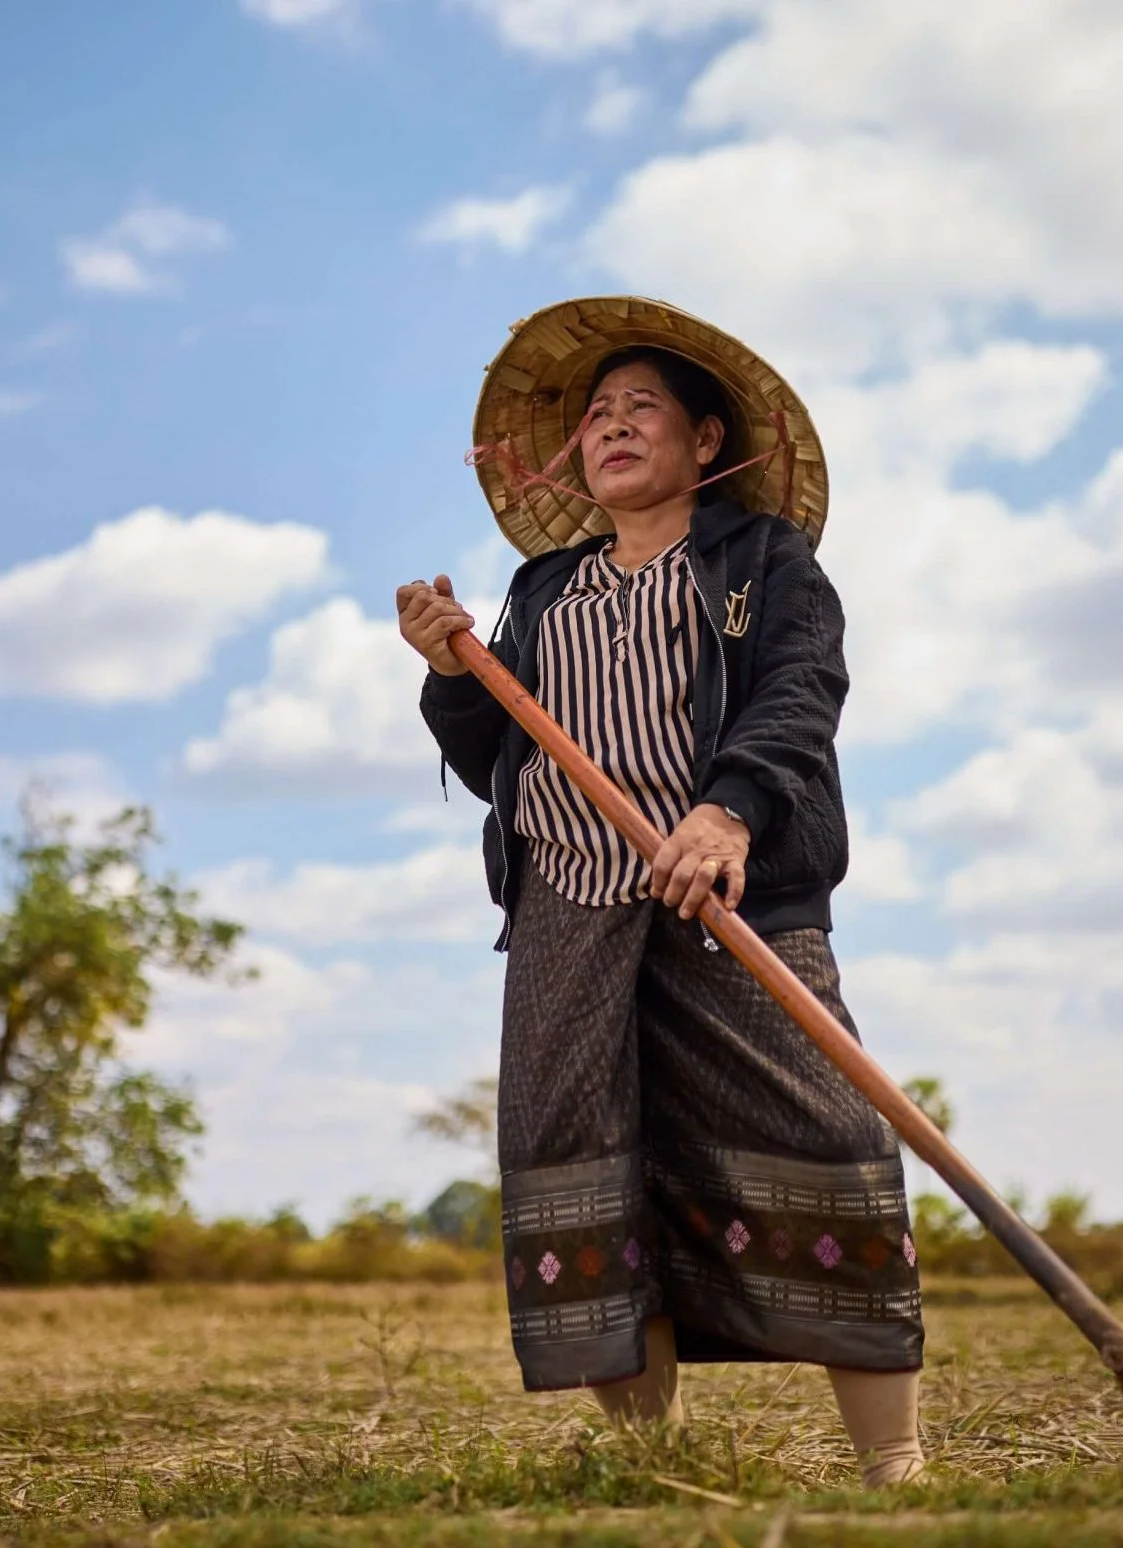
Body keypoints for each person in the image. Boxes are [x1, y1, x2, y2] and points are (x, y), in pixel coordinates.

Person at [395, 297, 926, 1488]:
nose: (612, 424)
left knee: (827, 1134)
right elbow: (499, 761)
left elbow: (799, 693)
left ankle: (892, 1466)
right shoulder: (540, 592)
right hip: (568, 912)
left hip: (722, 895)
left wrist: (724, 808)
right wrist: (451, 673)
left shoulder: (763, 563)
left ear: (702, 445)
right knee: (585, 1171)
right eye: (596, 414)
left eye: (643, 409)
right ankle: (653, 1464)